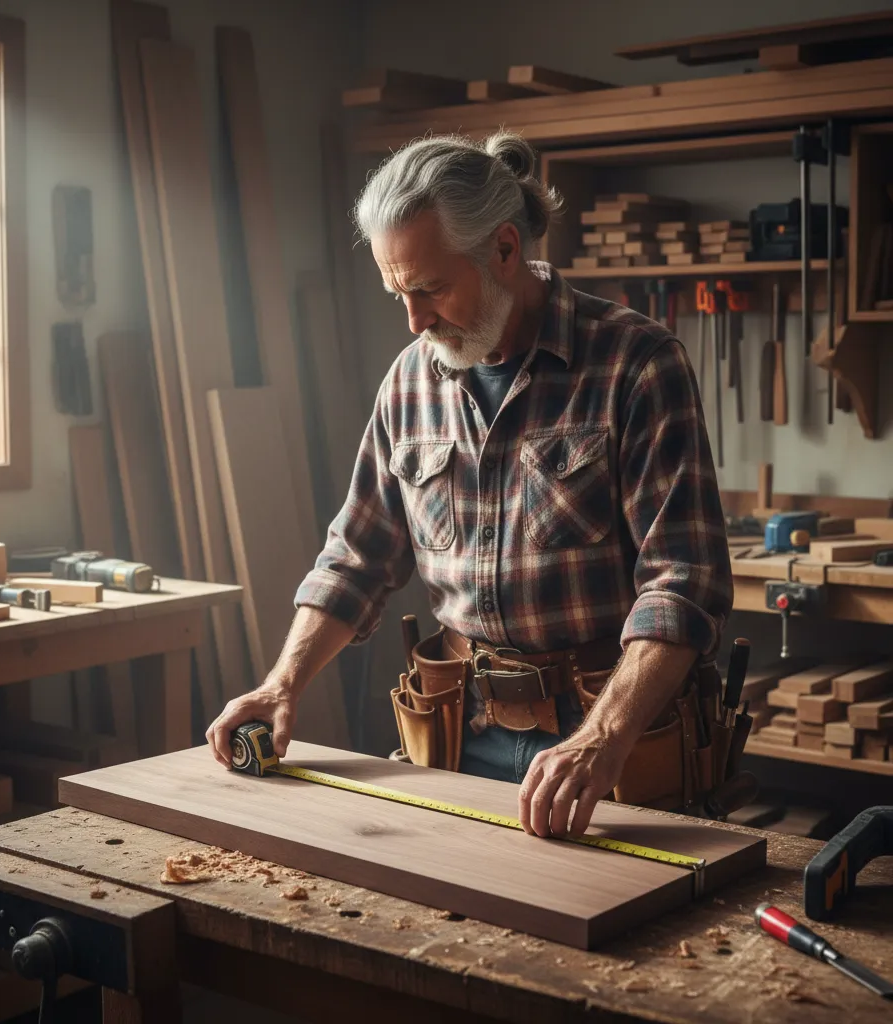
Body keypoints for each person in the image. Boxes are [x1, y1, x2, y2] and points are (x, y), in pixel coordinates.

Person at [209, 129, 733, 839]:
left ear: (505, 250)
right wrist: (283, 682)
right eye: (398, 293)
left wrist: (602, 738)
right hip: (459, 729)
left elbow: (684, 582)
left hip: (614, 737)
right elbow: (355, 557)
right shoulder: (408, 383)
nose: (415, 320)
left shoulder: (636, 364)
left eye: (430, 289)